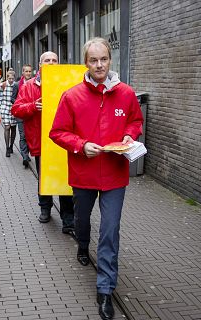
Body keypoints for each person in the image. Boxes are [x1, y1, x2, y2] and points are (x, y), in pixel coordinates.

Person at [49, 38, 144, 320]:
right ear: (86, 63)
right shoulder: (72, 96)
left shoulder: (126, 94)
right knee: (81, 220)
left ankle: (105, 289)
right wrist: (80, 145)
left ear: (110, 60)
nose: (99, 65)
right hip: (83, 172)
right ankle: (81, 243)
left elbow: (135, 121)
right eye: (93, 60)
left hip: (115, 173)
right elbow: (57, 132)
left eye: (103, 59)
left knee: (110, 230)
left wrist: (130, 135)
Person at [11, 51, 75, 234]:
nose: (51, 63)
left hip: (63, 142)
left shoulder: (67, 83)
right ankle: (45, 209)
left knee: (65, 180)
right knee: (44, 179)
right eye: (47, 60)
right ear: (40, 64)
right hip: (41, 142)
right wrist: (32, 106)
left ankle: (68, 218)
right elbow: (16, 109)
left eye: (55, 60)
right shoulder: (29, 86)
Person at [11, 64, 33, 168]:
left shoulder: (35, 83)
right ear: (23, 73)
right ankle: (24, 156)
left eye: (30, 71)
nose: (28, 73)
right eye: (26, 71)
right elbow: (12, 98)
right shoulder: (16, 85)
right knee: (23, 135)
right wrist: (21, 104)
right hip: (20, 114)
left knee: (29, 135)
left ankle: (27, 153)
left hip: (31, 114)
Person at [0, 70, 18, 157]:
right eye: (9, 78)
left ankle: (12, 145)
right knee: (7, 127)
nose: (11, 80)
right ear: (7, 77)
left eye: (12, 78)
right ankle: (7, 147)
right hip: (5, 108)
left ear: (14, 78)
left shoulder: (16, 85)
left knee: (13, 128)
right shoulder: (3, 85)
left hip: (14, 109)